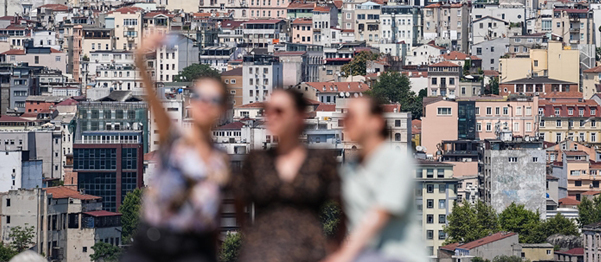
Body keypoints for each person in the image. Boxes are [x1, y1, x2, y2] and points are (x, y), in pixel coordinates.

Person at [123, 33, 231, 262]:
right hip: (154, 242)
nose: (204, 103)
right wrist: (141, 61)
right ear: (189, 102)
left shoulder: (221, 159)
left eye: (213, 99)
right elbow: (154, 101)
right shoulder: (174, 137)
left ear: (223, 108)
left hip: (195, 248)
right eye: (198, 96)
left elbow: (216, 217)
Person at [233, 88, 344, 262]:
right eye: (267, 110)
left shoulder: (321, 159)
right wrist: (251, 239)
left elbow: (344, 207)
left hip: (310, 253)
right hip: (261, 253)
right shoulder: (256, 159)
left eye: (279, 111)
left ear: (298, 116)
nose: (271, 116)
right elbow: (238, 203)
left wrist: (336, 248)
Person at [325, 97, 425, 262]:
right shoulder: (350, 168)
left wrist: (344, 256)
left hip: (397, 255)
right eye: (344, 117)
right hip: (364, 254)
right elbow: (345, 218)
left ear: (375, 122)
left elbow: (379, 214)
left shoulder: (397, 159)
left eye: (352, 116)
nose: (345, 122)